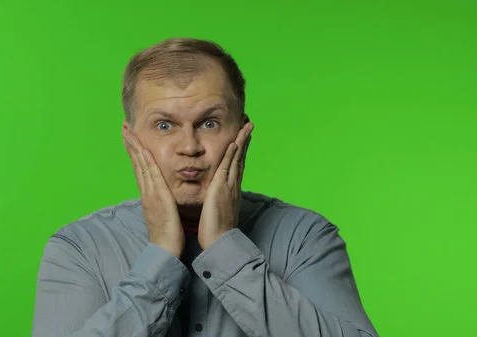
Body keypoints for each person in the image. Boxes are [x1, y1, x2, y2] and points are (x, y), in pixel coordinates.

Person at [31, 37, 379, 337]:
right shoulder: (79, 249)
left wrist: (225, 249)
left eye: (209, 123)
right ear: (132, 140)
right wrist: (161, 257)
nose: (189, 147)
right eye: (165, 125)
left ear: (242, 132)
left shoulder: (305, 237)